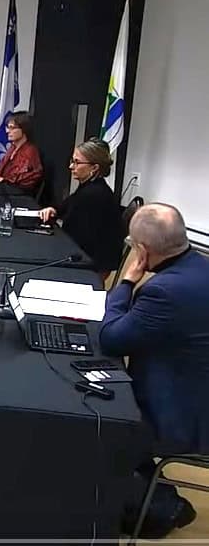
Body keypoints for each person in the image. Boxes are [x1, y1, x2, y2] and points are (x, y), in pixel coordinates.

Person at [100, 203, 209, 537]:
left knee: (97, 424)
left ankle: (161, 506)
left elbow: (111, 338)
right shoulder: (200, 268)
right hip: (196, 391)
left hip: (182, 417)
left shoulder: (164, 291)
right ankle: (153, 491)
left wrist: (126, 282)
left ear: (142, 250)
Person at [38, 138, 124, 276]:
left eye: (77, 162)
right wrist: (54, 210)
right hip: (87, 255)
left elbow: (74, 234)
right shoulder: (89, 186)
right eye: (72, 161)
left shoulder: (93, 194)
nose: (71, 166)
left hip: (91, 265)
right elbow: (68, 204)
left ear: (94, 168)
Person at [0, 111, 44, 193]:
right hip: (3, 190)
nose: (7, 131)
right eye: (8, 127)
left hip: (18, 195)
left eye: (12, 128)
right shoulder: (12, 148)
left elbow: (27, 181)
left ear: (24, 129)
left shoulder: (30, 151)